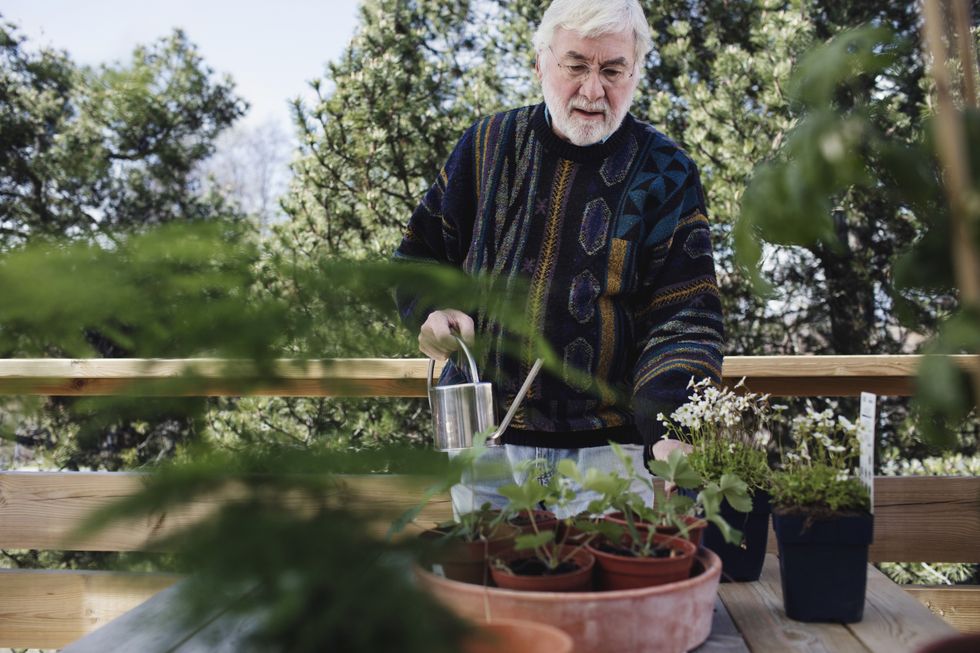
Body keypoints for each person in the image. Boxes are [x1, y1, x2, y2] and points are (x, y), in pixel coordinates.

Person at [394, 0, 723, 516]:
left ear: (635, 72)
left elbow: (686, 318)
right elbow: (418, 257)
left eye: (613, 70)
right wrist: (432, 313)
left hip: (613, 457)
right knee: (490, 593)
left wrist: (672, 427)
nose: (594, 91)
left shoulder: (668, 173)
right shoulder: (485, 147)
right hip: (485, 447)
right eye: (576, 66)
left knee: (605, 593)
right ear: (540, 64)